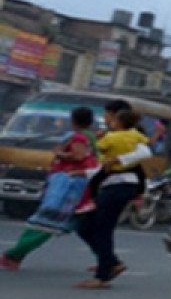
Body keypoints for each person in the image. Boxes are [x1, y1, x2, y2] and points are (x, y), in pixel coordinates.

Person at [0, 107, 99, 270]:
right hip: (82, 186)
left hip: (70, 186)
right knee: (84, 226)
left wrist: (60, 154)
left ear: (73, 120)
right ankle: (108, 260)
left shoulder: (79, 137)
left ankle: (14, 254)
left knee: (46, 221)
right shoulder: (92, 137)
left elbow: (78, 156)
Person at [74, 103, 151, 289]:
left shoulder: (131, 136)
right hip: (110, 185)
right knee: (85, 227)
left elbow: (146, 152)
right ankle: (112, 263)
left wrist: (118, 159)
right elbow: (101, 166)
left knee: (102, 229)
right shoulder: (114, 138)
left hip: (121, 186)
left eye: (111, 117)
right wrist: (82, 173)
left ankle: (102, 276)